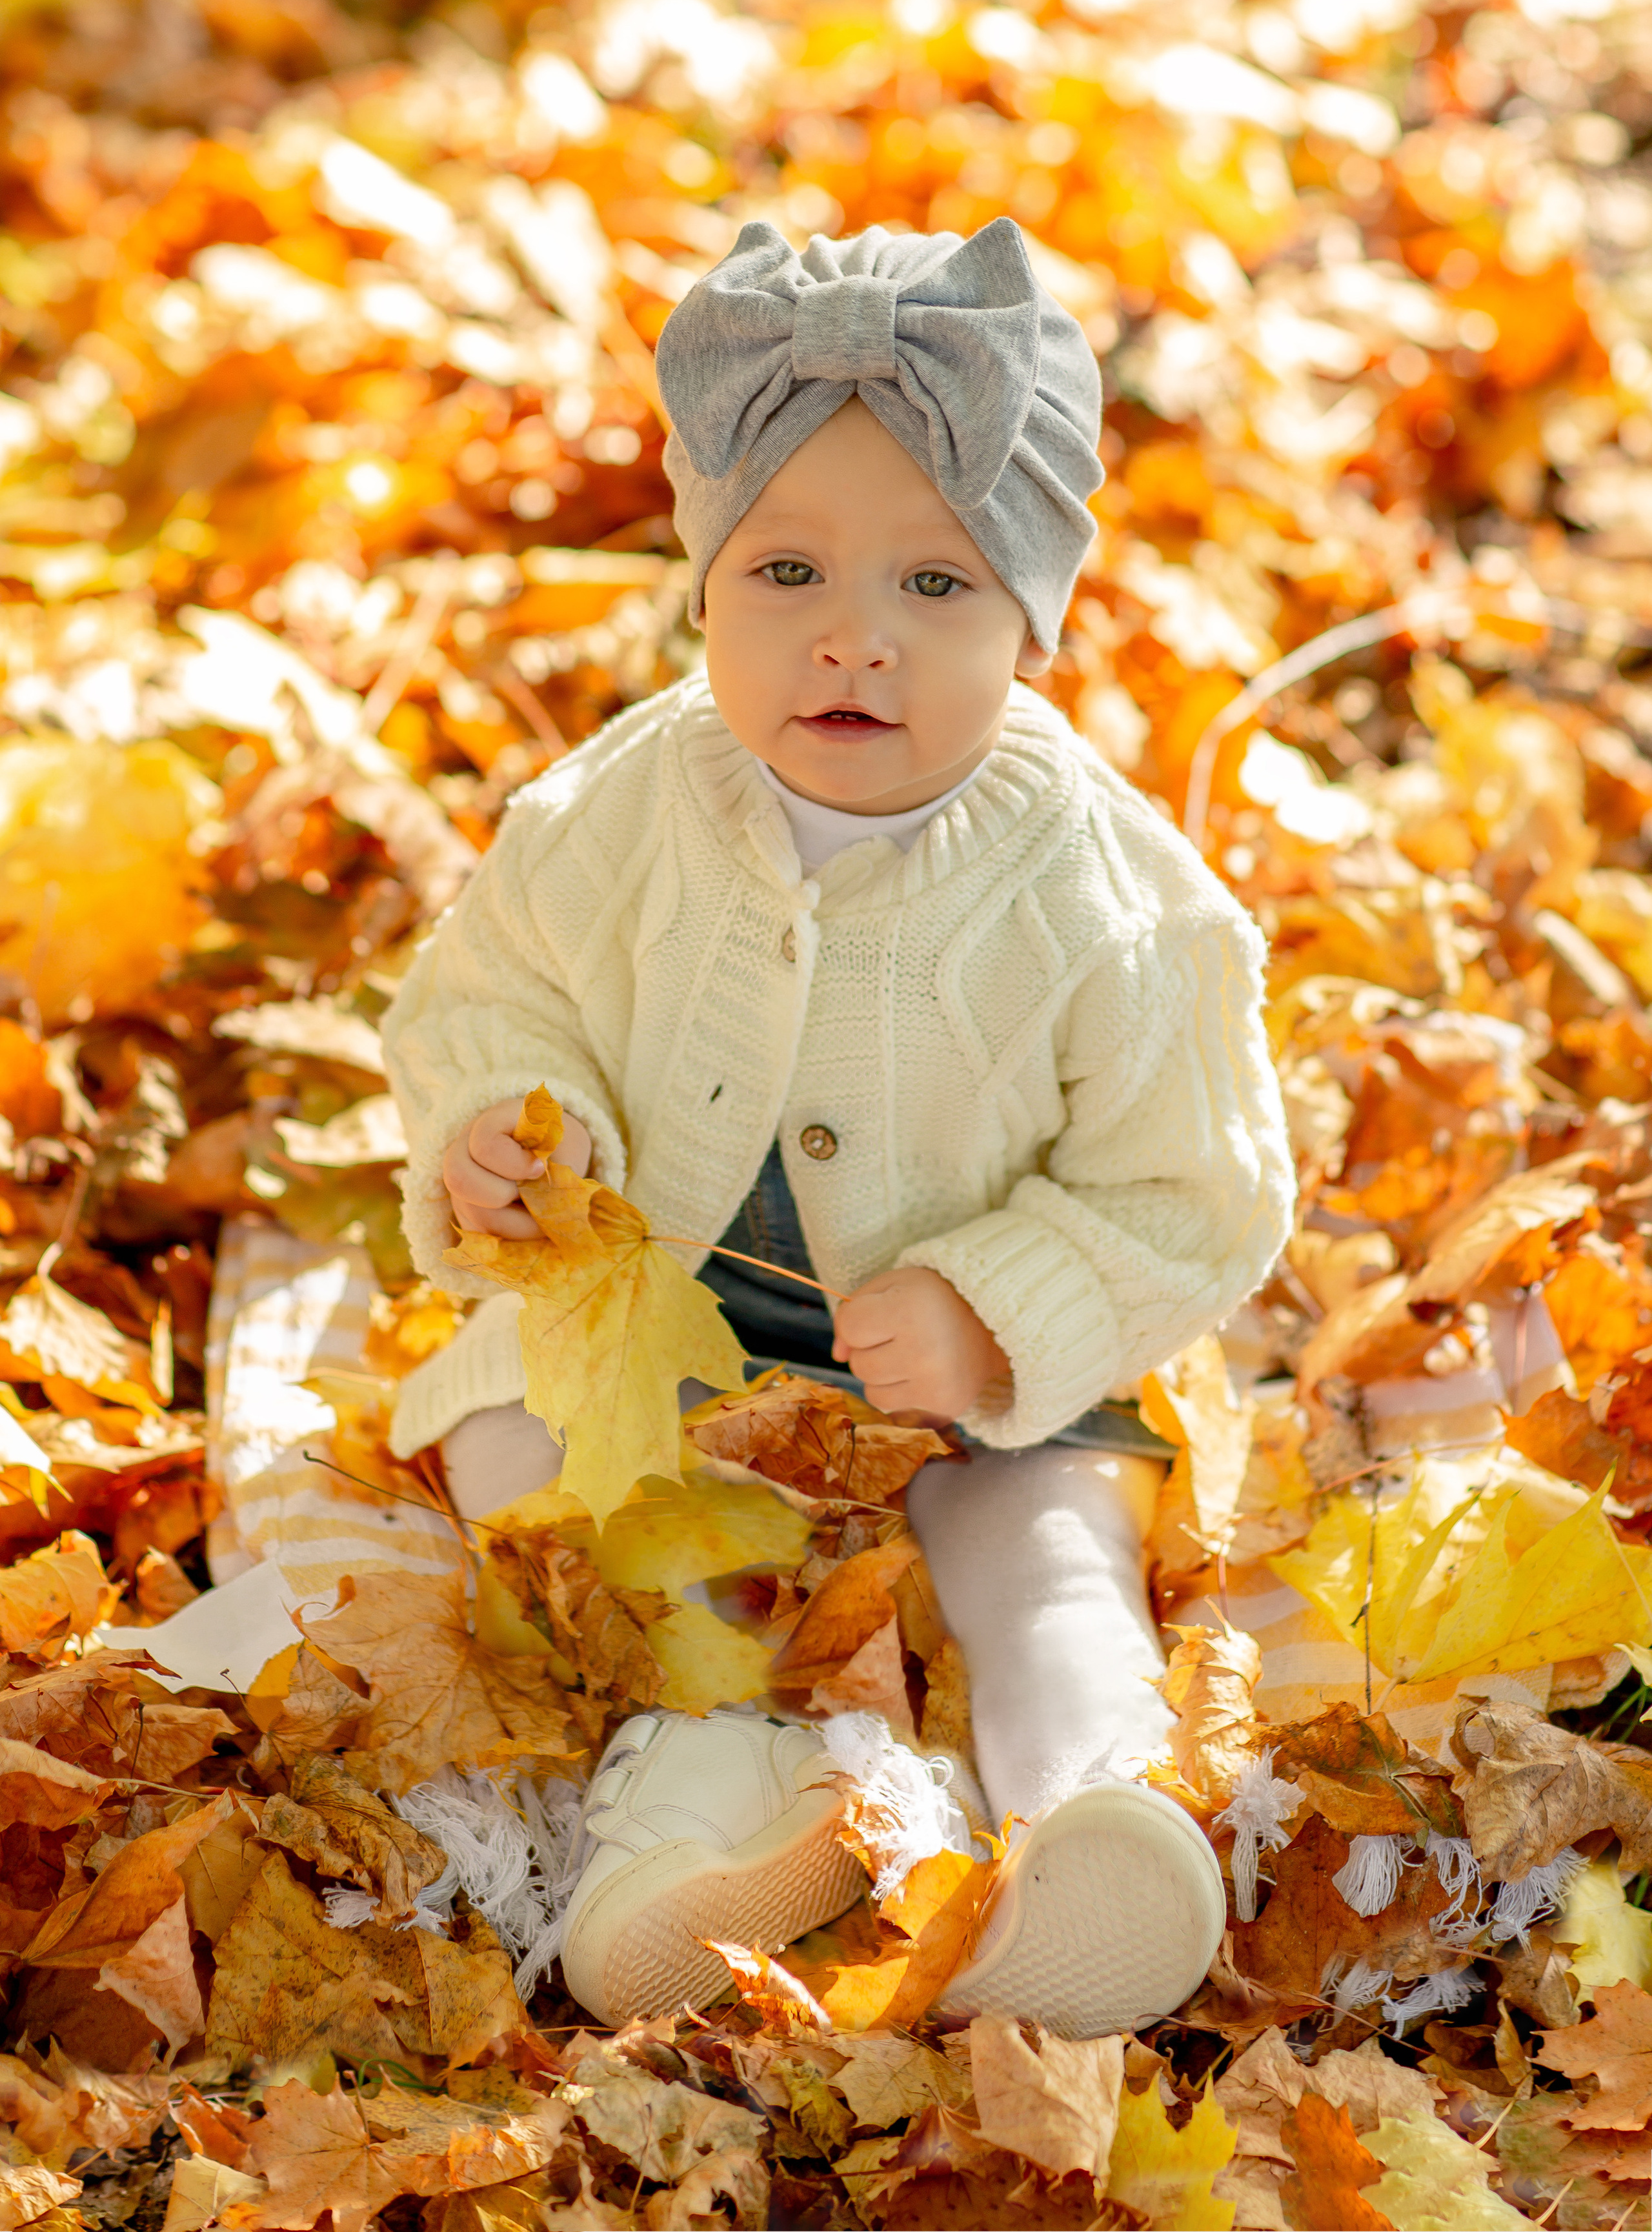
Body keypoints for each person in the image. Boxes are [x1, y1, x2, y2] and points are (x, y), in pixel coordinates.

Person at [380, 216, 1294, 2038]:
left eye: (937, 589)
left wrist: (1000, 1302)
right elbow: (485, 1003)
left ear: (1038, 617)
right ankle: (704, 1805)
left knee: (1039, 1551)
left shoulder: (1115, 898)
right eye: (785, 570)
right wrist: (495, 1137)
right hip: (664, 1344)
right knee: (539, 1466)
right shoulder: (616, 812)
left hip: (976, 1381)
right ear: (704, 591)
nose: (852, 640)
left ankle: (1090, 1820)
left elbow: (1198, 1195)